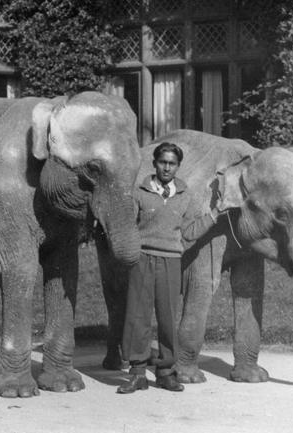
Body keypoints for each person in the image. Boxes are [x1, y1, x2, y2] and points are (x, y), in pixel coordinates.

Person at [117, 141, 221, 394]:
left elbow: (188, 232)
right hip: (142, 260)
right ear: (154, 164)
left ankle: (165, 372)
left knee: (167, 317)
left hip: (171, 262)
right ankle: (138, 373)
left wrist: (215, 215)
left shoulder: (185, 195)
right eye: (162, 162)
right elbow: (129, 226)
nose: (167, 167)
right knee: (138, 317)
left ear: (178, 167)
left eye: (172, 163)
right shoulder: (140, 191)